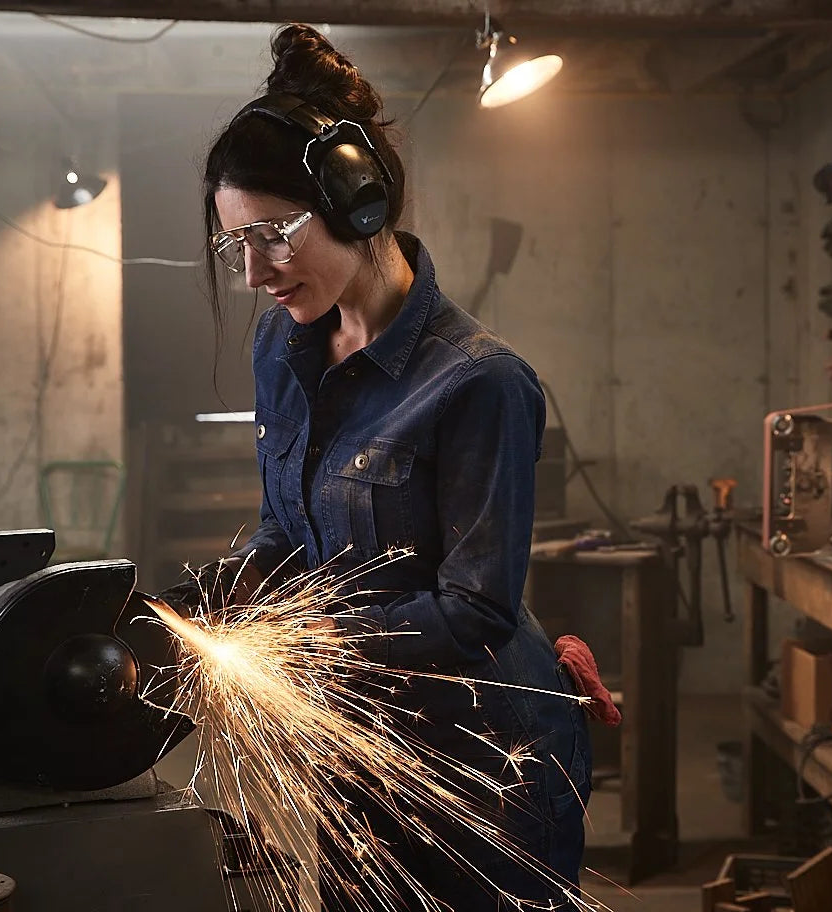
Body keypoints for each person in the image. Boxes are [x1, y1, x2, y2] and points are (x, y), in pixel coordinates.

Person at [166, 23, 593, 912]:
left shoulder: (481, 382)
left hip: (485, 767)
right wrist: (221, 603)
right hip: (356, 746)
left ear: (360, 204)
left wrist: (307, 651)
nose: (254, 273)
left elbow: (475, 610)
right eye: (233, 246)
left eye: (274, 235)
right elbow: (291, 530)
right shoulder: (281, 354)